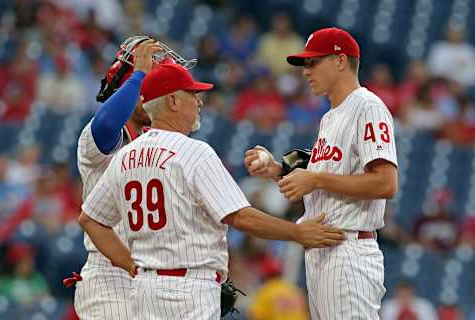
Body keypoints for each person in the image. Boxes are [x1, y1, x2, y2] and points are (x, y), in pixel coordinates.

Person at [78, 62, 346, 319]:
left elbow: (90, 219)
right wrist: (297, 232)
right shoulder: (194, 152)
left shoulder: (127, 155)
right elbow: (239, 217)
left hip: (144, 289)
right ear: (172, 101)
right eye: (192, 94)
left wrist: (131, 265)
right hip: (188, 291)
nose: (199, 101)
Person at [244, 27, 398, 319]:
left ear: (340, 61)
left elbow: (386, 182)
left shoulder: (367, 106)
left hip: (349, 248)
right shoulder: (330, 117)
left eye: (313, 62)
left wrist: (314, 178)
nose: (305, 71)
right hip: (323, 250)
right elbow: (324, 183)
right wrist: (277, 170)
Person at [71, 38, 163, 319]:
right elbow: (108, 123)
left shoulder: (158, 145)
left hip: (152, 276)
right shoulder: (99, 137)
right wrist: (137, 76)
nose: (148, 93)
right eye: (143, 87)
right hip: (110, 276)